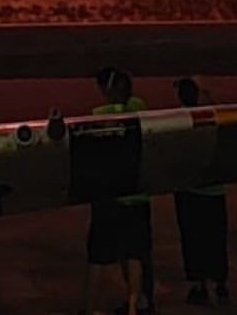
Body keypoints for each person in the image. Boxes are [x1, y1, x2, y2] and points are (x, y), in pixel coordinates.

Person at [80, 67, 152, 315]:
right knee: (134, 253)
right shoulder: (140, 108)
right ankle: (134, 305)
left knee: (99, 256)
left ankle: (91, 308)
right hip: (137, 193)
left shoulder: (97, 115)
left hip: (109, 196)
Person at [173, 77, 229, 306]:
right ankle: (219, 282)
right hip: (214, 189)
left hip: (190, 189)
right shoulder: (211, 117)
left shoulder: (178, 120)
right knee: (216, 237)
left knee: (193, 238)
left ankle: (199, 284)